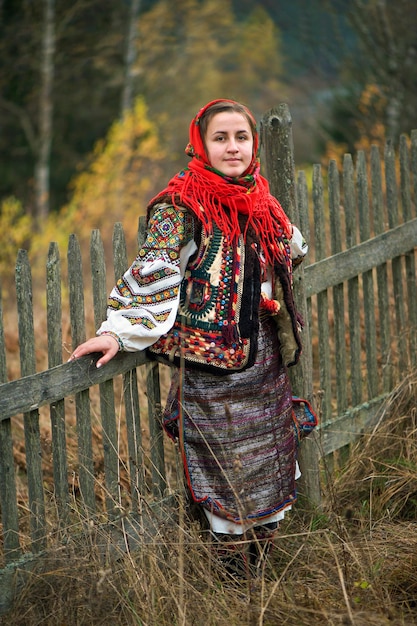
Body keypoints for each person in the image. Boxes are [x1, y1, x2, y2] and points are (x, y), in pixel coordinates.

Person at [69, 99, 316, 578]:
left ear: (253, 143)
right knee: (225, 472)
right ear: (200, 143)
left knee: (270, 461)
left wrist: (257, 280)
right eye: (219, 138)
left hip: (264, 360)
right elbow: (155, 270)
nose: (232, 147)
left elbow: (293, 247)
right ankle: (233, 584)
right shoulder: (180, 205)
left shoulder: (261, 199)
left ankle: (266, 578)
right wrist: (118, 334)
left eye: (241, 137)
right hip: (211, 367)